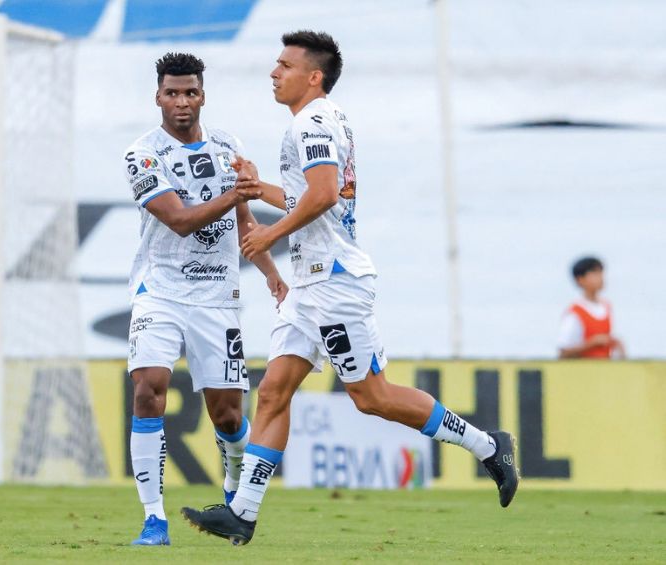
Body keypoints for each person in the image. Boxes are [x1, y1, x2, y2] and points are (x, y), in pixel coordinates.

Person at [181, 31, 519, 545]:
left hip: (335, 283)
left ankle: (488, 447)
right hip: (310, 287)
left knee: (371, 396)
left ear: (312, 76)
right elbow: (313, 194)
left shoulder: (312, 121)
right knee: (273, 391)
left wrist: (269, 231)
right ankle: (243, 514)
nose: (274, 72)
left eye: (285, 64)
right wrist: (258, 188)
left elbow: (320, 196)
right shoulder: (322, 120)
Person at [123, 52, 287, 546]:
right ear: (158, 97)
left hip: (217, 297)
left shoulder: (227, 146)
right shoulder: (142, 154)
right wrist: (237, 195)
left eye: (190, 92)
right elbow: (178, 219)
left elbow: (244, 225)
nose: (181, 102)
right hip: (161, 291)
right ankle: (154, 518)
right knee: (149, 387)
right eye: (171, 93)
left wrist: (271, 274)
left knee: (229, 416)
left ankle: (236, 501)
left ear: (202, 96)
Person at [557, 256, 624, 359]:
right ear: (580, 279)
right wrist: (592, 343)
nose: (601, 277)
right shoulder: (575, 312)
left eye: (601, 273)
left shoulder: (607, 306)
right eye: (594, 273)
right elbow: (563, 353)